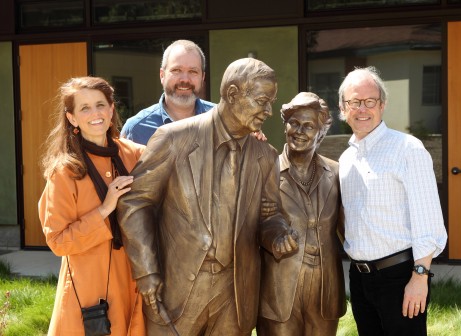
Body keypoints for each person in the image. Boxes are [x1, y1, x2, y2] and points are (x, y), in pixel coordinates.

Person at [117, 58, 298, 336]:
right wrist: (146, 271)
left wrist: (277, 235)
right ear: (234, 93)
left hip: (235, 293)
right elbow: (136, 203)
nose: (268, 111)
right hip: (177, 288)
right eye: (262, 100)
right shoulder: (174, 139)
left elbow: (269, 214)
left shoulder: (265, 155)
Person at [337, 66, 448, 336]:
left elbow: (429, 221)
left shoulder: (407, 149)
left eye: (370, 101)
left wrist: (420, 277)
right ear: (343, 108)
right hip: (359, 279)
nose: (362, 109)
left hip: (400, 276)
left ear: (382, 105)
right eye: (354, 102)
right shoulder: (345, 161)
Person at [38, 77, 145, 335]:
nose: (95, 113)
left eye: (100, 104)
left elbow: (180, 153)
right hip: (88, 292)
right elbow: (58, 242)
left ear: (111, 110)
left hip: (133, 280)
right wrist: (104, 209)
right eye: (84, 108)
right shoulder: (64, 172)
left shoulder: (135, 154)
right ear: (72, 118)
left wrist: (246, 138)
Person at [257, 92, 347, 336]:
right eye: (294, 123)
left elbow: (348, 228)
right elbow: (253, 222)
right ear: (285, 125)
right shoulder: (265, 170)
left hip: (324, 288)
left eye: (308, 126)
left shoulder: (337, 172)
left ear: (321, 132)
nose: (299, 131)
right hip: (280, 286)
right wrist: (272, 238)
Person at [121, 39, 214, 145]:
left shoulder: (221, 120)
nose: (185, 79)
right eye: (176, 70)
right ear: (162, 75)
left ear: (203, 77)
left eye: (193, 71)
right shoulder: (136, 130)